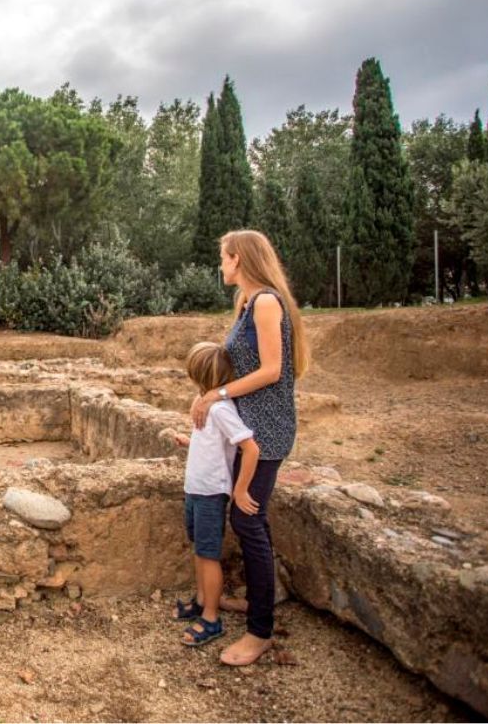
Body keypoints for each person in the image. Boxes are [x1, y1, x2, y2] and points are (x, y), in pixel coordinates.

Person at [190, 229, 310, 666]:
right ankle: (268, 596)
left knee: (246, 518)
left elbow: (274, 371)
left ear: (238, 258)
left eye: (223, 257)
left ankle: (260, 631)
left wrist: (218, 397)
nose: (221, 264)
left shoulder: (265, 302)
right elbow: (231, 364)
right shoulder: (245, 303)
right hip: (248, 425)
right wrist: (208, 390)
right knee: (250, 519)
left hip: (267, 429)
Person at [174, 342, 259, 647]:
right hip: (195, 488)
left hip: (210, 492)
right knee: (199, 548)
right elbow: (212, 443)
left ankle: (211, 617)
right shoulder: (204, 403)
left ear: (200, 376)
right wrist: (189, 442)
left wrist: (239, 489)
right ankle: (200, 599)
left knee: (209, 555)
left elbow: (250, 447)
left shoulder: (221, 409)